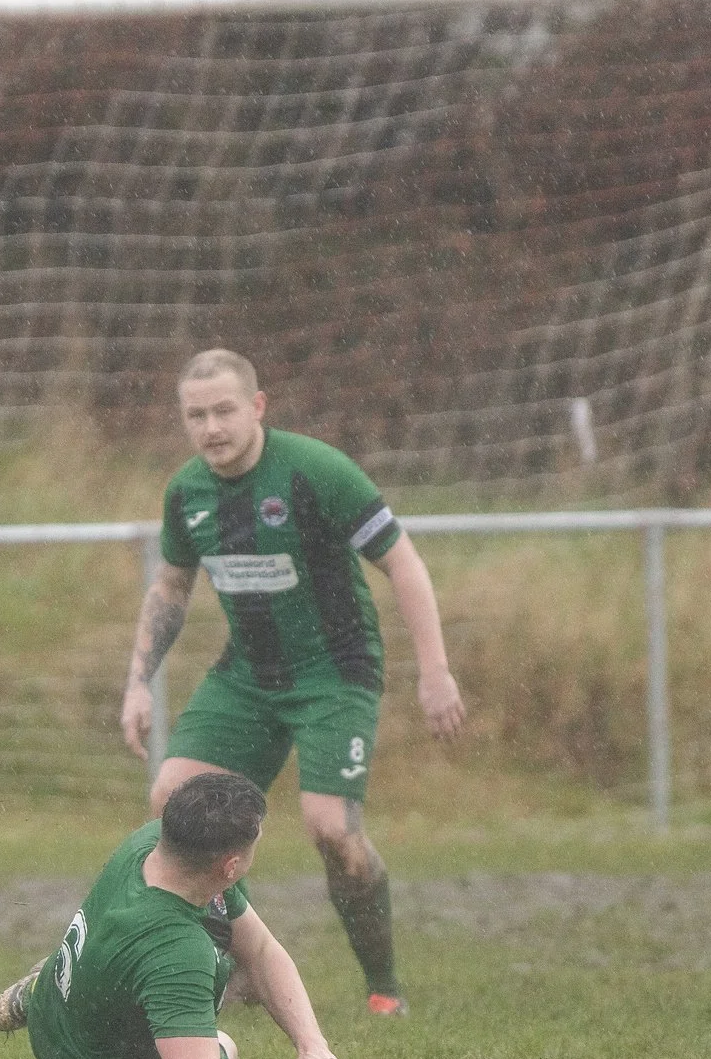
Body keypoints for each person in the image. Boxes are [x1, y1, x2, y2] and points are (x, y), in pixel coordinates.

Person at [118, 350, 465, 1017]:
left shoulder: (315, 471)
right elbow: (170, 584)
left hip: (335, 671)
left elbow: (404, 564)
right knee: (172, 799)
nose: (212, 427)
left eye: (224, 410)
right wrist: (138, 682)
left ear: (257, 406)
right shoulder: (187, 492)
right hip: (248, 673)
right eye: (196, 415)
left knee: (331, 829)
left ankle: (384, 988)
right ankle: (238, 962)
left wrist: (435, 671)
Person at [0, 771, 407, 1059]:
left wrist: (314, 1047)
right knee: (223, 1048)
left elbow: (260, 951)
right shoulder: (176, 949)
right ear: (230, 865)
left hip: (56, 1015)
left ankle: (43, 985)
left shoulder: (155, 844)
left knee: (215, 964)